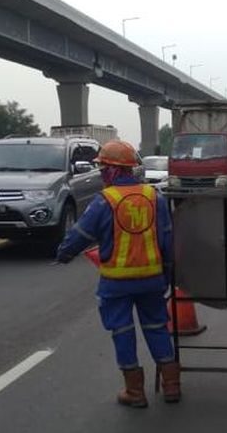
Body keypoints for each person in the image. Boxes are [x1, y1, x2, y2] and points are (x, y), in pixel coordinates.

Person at [56, 139, 180, 408]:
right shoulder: (154, 197)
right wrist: (168, 275)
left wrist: (63, 254)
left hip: (117, 283)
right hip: (151, 280)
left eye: (103, 169)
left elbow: (80, 235)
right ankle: (171, 385)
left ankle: (135, 392)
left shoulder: (104, 201)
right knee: (157, 327)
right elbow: (167, 240)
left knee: (122, 331)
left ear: (112, 171)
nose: (101, 174)